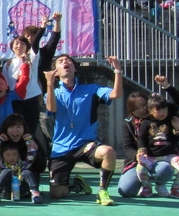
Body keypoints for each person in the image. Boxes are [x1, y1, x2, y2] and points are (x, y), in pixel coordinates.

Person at [45, 55, 123, 205]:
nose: (65, 62)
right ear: (56, 72)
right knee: (56, 193)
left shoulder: (91, 89)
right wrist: (49, 84)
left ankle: (102, 191)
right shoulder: (53, 93)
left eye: (68, 61)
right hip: (61, 148)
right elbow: (51, 108)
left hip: (86, 145)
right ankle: (76, 185)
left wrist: (117, 71)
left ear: (75, 68)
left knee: (108, 152)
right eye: (60, 62)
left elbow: (116, 94)